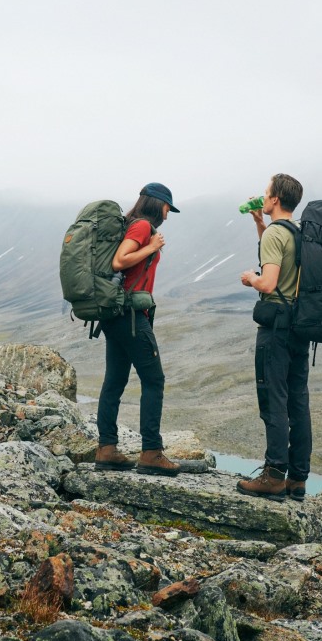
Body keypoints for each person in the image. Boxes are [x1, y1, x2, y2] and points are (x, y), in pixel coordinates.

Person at [94, 182, 181, 477]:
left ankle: (107, 449)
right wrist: (152, 247)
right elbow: (120, 260)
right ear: (157, 204)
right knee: (154, 380)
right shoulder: (142, 226)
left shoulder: (132, 224)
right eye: (168, 207)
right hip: (131, 316)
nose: (168, 214)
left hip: (116, 315)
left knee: (115, 381)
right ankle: (151, 452)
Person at [237, 173, 311, 501]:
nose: (263, 197)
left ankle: (274, 475)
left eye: (266, 193)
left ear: (276, 199)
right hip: (300, 325)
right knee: (298, 401)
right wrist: (259, 224)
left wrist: (250, 278)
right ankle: (297, 478)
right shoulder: (299, 231)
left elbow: (268, 283)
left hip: (276, 327)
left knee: (274, 399)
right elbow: (283, 260)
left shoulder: (275, 234)